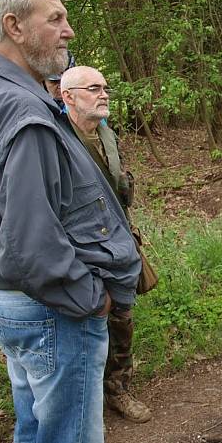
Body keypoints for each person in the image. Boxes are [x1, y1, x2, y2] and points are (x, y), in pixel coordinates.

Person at [0, 0, 140, 443]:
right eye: (55, 18)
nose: (68, 30)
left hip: (17, 306)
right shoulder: (26, 112)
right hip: (54, 312)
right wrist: (92, 299)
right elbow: (31, 242)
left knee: (34, 439)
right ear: (15, 27)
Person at [60, 65, 152, 423]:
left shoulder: (106, 133)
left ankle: (117, 388)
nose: (104, 94)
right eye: (94, 88)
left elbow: (119, 184)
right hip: (80, 248)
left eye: (105, 88)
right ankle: (83, 400)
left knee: (122, 317)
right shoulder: (58, 137)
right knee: (84, 321)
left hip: (116, 240)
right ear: (68, 97)